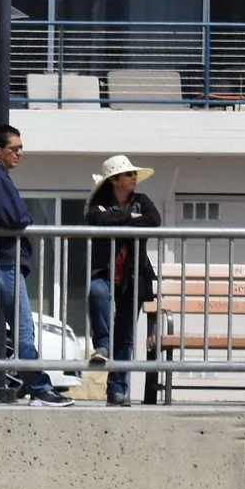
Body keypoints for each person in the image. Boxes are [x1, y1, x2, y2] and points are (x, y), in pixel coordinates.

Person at [0, 125, 69, 407]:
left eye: (21, 148)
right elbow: (16, 218)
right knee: (22, 328)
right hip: (2, 262)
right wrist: (26, 215)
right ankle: (39, 389)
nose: (19, 153)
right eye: (14, 148)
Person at [84, 154, 161, 409]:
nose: (133, 177)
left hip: (134, 276)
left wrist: (117, 217)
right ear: (114, 180)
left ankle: (117, 390)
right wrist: (131, 219)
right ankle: (102, 346)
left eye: (134, 173)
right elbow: (96, 219)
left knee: (125, 335)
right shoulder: (99, 203)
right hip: (105, 272)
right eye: (128, 174)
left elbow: (154, 220)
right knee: (96, 292)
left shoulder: (142, 201)